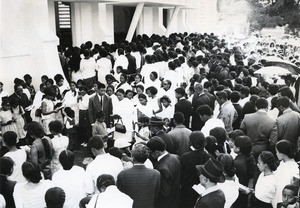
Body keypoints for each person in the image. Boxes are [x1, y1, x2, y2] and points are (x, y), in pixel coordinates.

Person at [117, 143, 161, 208]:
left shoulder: (123, 174)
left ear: (132, 156)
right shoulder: (156, 174)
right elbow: (156, 195)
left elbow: (120, 195)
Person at [146, 136, 181, 208]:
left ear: (156, 152)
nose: (150, 154)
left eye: (150, 152)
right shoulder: (176, 157)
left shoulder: (161, 168)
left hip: (166, 204)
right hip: (176, 200)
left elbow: (164, 193)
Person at [180, 131, 212, 208]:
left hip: (188, 191)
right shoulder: (210, 157)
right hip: (204, 191)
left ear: (191, 142)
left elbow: (181, 175)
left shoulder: (186, 157)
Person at [232, 135, 256, 208]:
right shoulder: (250, 157)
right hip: (247, 189)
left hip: (240, 191)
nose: (233, 146)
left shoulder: (236, 163)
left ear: (238, 148)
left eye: (234, 145)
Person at [275, 140, 300, 206]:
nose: (276, 153)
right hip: (277, 196)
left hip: (285, 200)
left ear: (282, 153)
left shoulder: (294, 168)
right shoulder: (282, 163)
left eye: (277, 152)